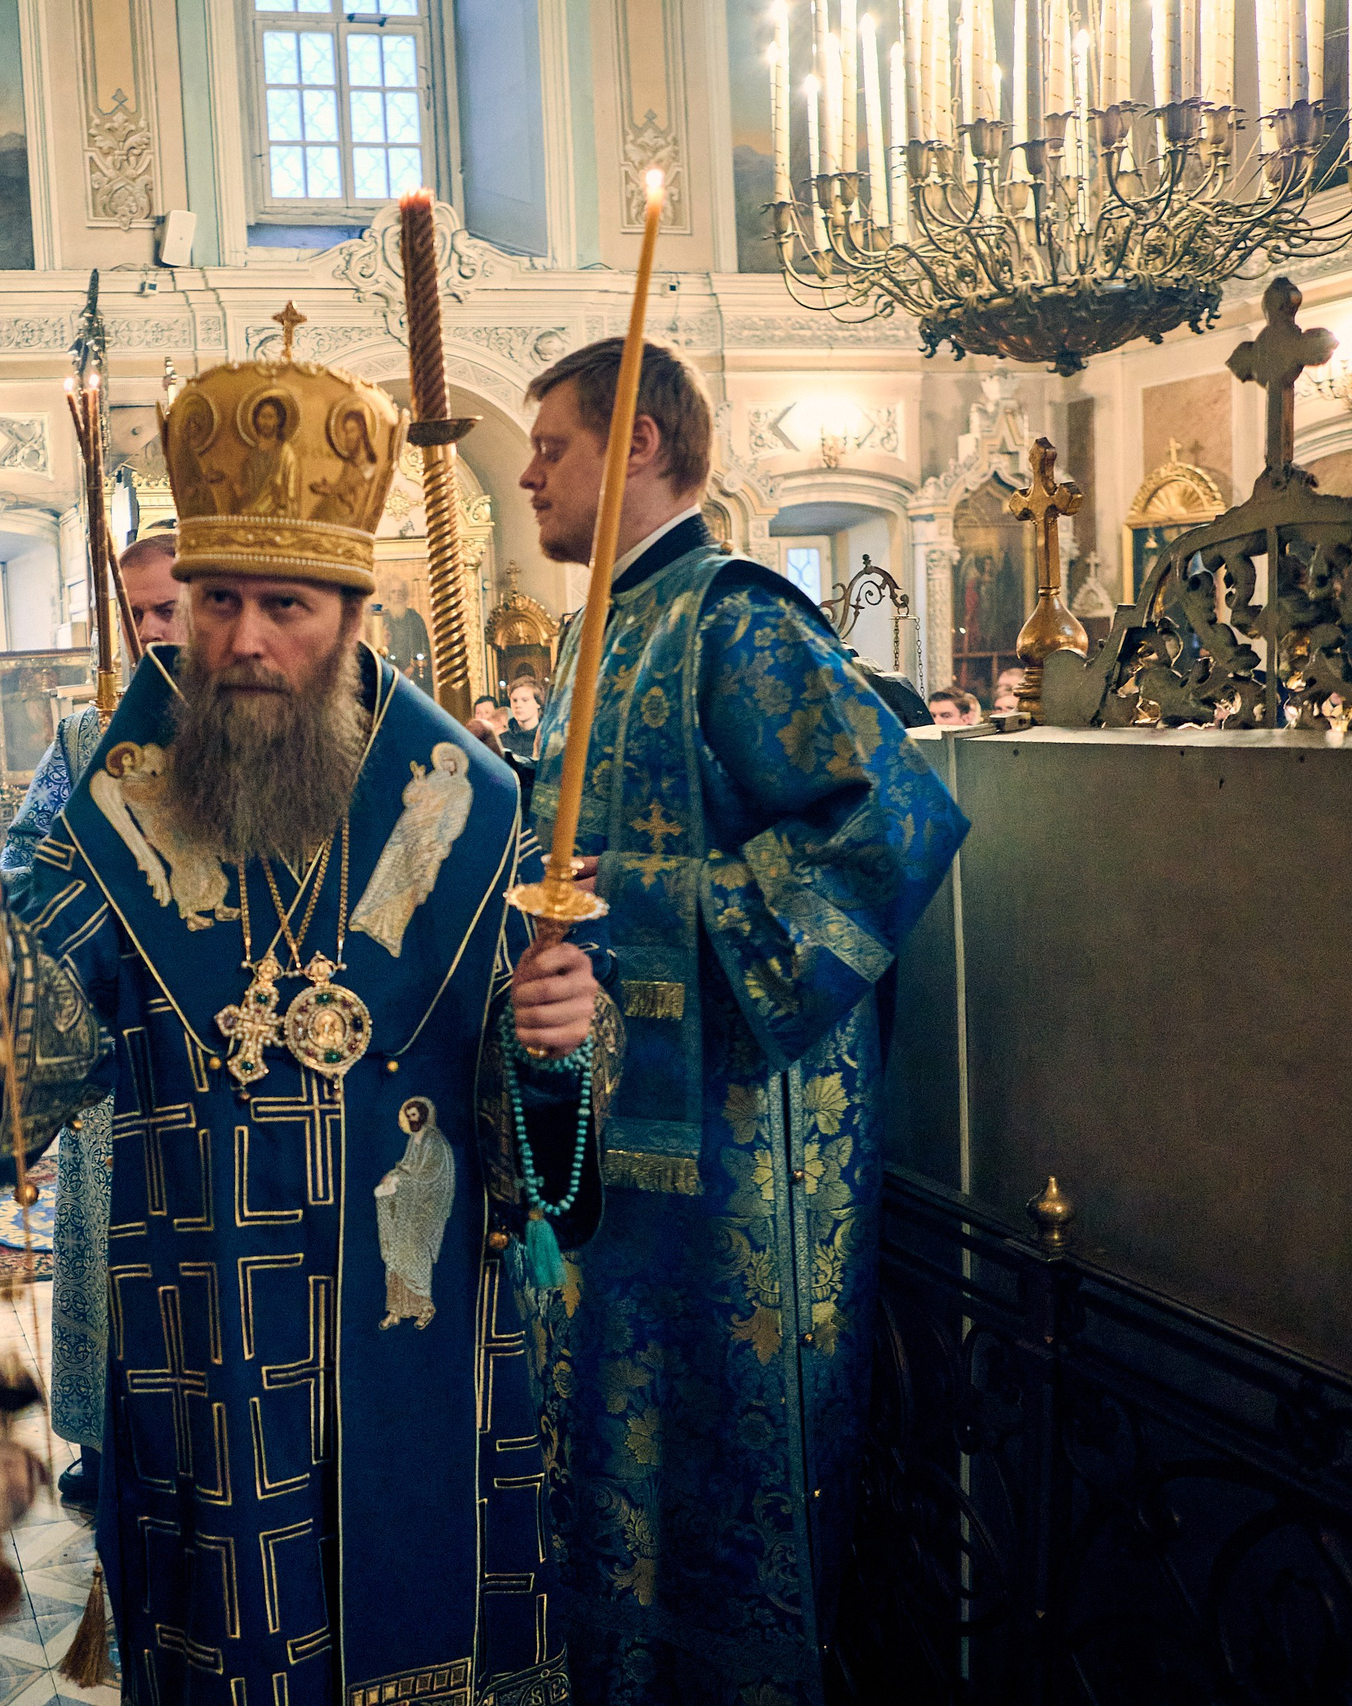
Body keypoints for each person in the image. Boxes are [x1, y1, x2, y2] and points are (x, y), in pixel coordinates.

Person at [0, 346, 615, 1705]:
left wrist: (559, 1044)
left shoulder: (468, 810)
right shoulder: (123, 809)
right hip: (208, 1360)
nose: (239, 641)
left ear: (356, 614)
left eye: (283, 605)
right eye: (215, 602)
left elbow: (549, 1171)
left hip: (426, 1345)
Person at [515, 337, 968, 1704]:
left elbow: (892, 824)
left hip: (743, 1160)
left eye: (553, 448)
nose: (527, 474)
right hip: (618, 1135)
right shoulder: (605, 624)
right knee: (613, 1455)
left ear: (641, 442)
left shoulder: (737, 616)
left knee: (727, 1475)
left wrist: (634, 908)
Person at [0, 529, 183, 1508]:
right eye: (139, 612)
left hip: (228, 1058)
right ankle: (108, 1443)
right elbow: (23, 865)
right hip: (121, 1045)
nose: (155, 631)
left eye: (171, 607)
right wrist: (106, 929)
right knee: (108, 1245)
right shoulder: (83, 738)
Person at [500, 676, 543, 761]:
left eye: (525, 700)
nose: (518, 705)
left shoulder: (546, 740)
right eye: (514, 700)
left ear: (538, 703)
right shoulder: (501, 740)